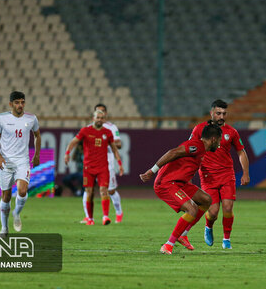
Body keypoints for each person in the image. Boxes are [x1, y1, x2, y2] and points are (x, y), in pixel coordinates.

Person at [140, 124, 222, 255]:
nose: (219, 144)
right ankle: (168, 244)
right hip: (166, 183)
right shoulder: (197, 146)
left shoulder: (202, 150)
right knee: (192, 209)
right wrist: (152, 171)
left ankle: (183, 234)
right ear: (213, 139)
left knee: (206, 200)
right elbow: (173, 152)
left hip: (180, 183)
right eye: (219, 140)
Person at [189, 99, 250, 250]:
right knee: (214, 212)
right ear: (211, 113)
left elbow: (241, 152)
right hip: (208, 176)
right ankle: (208, 226)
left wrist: (245, 173)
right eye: (218, 113)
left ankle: (226, 240)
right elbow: (190, 149)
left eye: (224, 113)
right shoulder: (199, 129)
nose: (221, 116)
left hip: (227, 174)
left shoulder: (231, 132)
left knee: (228, 207)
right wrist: (188, 172)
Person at [0, 91, 41, 237]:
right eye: (17, 102)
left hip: (22, 161)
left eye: (22, 102)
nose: (20, 105)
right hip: (6, 162)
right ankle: (4, 228)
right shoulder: (2, 118)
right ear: (11, 104)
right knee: (6, 196)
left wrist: (37, 154)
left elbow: (37, 135)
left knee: (22, 191)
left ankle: (17, 213)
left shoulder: (31, 118)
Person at [64, 110, 124, 226]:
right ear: (93, 118)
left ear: (104, 119)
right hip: (88, 168)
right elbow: (73, 142)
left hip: (103, 167)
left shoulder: (107, 132)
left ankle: (105, 217)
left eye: (102, 118)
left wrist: (120, 164)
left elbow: (115, 149)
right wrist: (67, 153)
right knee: (89, 192)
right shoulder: (85, 131)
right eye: (98, 118)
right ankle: (90, 218)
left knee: (104, 190)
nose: (100, 120)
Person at [80, 104, 124, 223]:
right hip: (92, 162)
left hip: (107, 160)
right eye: (98, 112)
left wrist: (108, 141)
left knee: (110, 190)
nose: (100, 113)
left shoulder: (111, 128)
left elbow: (119, 144)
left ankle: (119, 212)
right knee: (88, 190)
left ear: (105, 114)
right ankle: (88, 216)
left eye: (102, 111)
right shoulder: (89, 128)